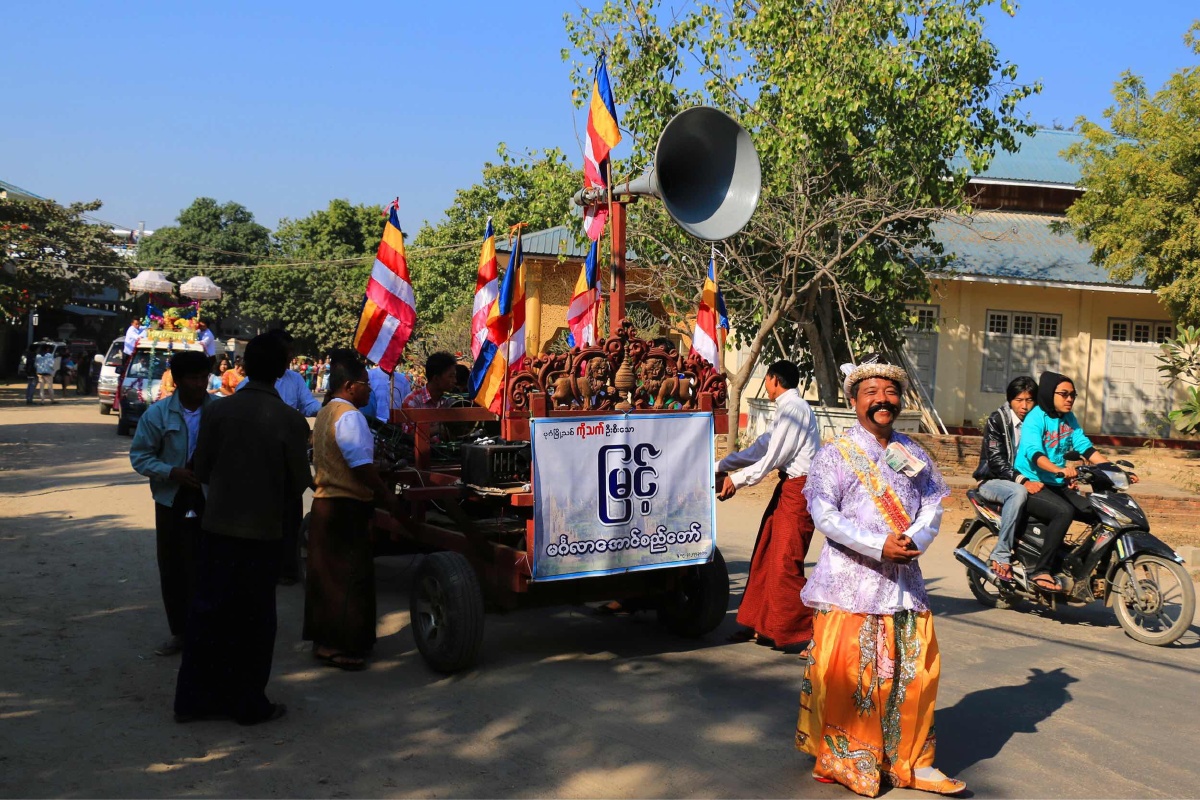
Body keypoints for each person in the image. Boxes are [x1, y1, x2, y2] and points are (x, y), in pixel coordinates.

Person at [795, 360, 963, 796]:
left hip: (904, 581)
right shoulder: (834, 454)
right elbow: (824, 514)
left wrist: (913, 539)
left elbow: (932, 504)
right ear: (854, 402)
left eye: (889, 393)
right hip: (851, 582)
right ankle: (848, 759)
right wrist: (877, 544)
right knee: (854, 677)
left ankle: (913, 761)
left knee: (915, 673)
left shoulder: (914, 453)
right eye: (870, 393)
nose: (882, 400)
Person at [173, 333, 311, 726]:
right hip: (263, 534)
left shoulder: (218, 412)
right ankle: (248, 703)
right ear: (284, 371)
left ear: (244, 368)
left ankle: (193, 700)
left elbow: (200, 468)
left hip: (216, 527)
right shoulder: (290, 420)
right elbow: (298, 481)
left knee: (208, 613)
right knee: (254, 619)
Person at [304, 351, 403, 671]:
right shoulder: (349, 417)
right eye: (365, 385)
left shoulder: (326, 413)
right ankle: (342, 645)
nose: (370, 391)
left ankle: (326, 642)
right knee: (348, 580)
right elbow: (362, 467)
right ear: (349, 386)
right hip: (345, 506)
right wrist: (388, 498)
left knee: (327, 578)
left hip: (326, 503)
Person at [716, 360, 820, 651]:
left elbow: (772, 457)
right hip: (788, 488)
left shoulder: (796, 410)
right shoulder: (787, 409)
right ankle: (761, 625)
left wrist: (736, 481)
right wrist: (719, 466)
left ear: (774, 380)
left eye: (768, 380)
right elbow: (761, 447)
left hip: (800, 490)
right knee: (765, 554)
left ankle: (817, 632)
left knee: (786, 562)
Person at [1014, 371, 1138, 592]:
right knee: (1064, 512)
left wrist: (1116, 472)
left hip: (1057, 483)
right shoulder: (1035, 419)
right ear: (1049, 394)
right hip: (1033, 483)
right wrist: (1059, 470)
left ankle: (1095, 568)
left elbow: (1087, 448)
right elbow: (1034, 453)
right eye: (1064, 394)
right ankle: (1041, 570)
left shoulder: (1068, 419)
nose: (1069, 399)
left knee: (1100, 512)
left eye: (1073, 394)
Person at [129, 351, 215, 657]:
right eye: (193, 378)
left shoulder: (219, 411)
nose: (200, 383)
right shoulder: (158, 414)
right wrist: (171, 472)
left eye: (204, 377)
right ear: (176, 381)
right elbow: (139, 457)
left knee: (210, 565)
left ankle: (208, 630)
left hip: (210, 499)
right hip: (171, 499)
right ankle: (180, 632)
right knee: (173, 566)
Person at [971, 376, 1048, 581]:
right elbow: (996, 461)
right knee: (1018, 492)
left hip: (1025, 478)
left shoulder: (1038, 422)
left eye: (1029, 400)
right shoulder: (998, 420)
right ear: (1010, 400)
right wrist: (1022, 480)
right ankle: (1001, 553)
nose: (1024, 406)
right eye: (1019, 400)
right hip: (992, 481)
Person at [400, 352, 459, 440]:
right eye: (451, 376)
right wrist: (436, 430)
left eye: (455, 376)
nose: (455, 381)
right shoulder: (412, 401)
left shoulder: (450, 401)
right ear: (436, 379)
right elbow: (407, 434)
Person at [114, 317, 145, 412]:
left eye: (138, 324)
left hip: (133, 354)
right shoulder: (131, 330)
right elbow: (139, 338)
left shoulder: (137, 329)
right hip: (128, 354)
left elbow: (142, 328)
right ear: (132, 324)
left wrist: (148, 327)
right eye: (136, 324)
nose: (138, 325)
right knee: (125, 374)